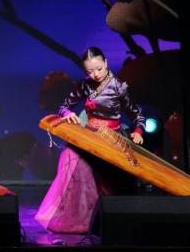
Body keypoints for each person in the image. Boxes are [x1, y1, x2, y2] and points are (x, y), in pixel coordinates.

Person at [35, 47, 145, 233]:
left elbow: (138, 114)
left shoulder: (119, 86)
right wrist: (68, 113)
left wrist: (138, 131)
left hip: (112, 136)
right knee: (70, 155)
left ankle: (102, 216)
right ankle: (77, 218)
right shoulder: (84, 84)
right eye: (90, 71)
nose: (95, 74)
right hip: (89, 135)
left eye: (99, 69)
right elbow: (63, 106)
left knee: (104, 171)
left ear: (106, 63)